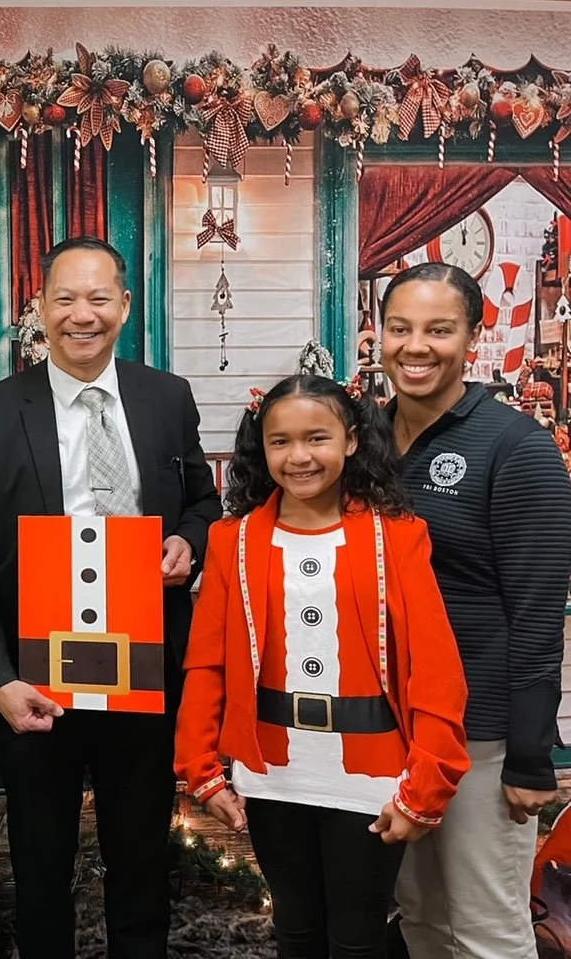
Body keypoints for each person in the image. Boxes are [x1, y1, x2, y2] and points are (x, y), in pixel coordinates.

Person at [0, 236, 222, 958]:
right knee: (40, 871)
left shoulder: (167, 398)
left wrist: (189, 543)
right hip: (36, 681)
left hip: (144, 670)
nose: (82, 315)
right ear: (39, 309)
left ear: (124, 305)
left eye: (99, 298)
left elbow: (203, 502)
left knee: (140, 865)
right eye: (65, 298)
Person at [174, 374, 470, 959]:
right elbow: (208, 662)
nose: (299, 456)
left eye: (317, 438)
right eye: (280, 442)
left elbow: (435, 671)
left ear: (352, 441)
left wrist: (428, 785)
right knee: (296, 928)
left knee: (358, 936)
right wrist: (201, 767)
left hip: (372, 775)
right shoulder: (232, 539)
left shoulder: (398, 538)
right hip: (274, 773)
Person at [381, 262, 571, 959]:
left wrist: (529, 755)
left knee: (487, 931)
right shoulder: (362, 439)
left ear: (473, 336)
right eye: (400, 328)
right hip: (390, 724)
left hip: (479, 733)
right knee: (421, 916)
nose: (416, 346)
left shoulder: (515, 449)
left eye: (439, 329)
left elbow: (537, 617)